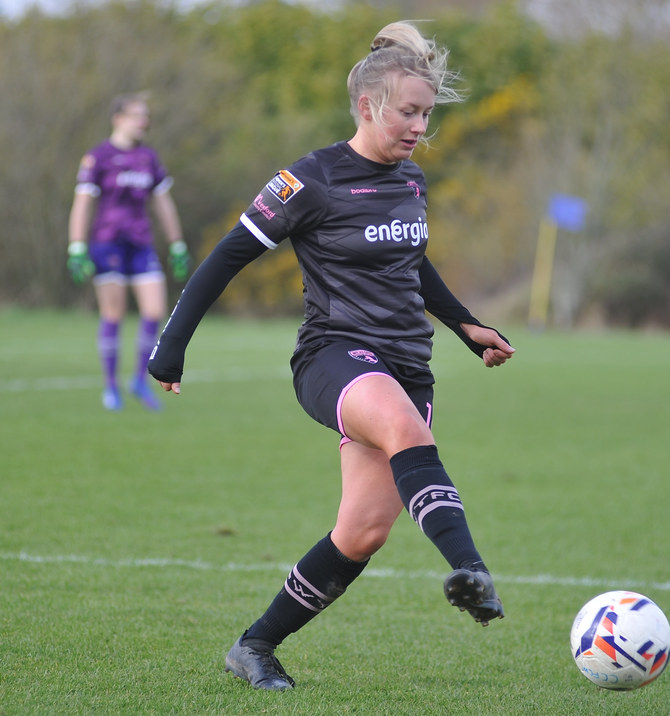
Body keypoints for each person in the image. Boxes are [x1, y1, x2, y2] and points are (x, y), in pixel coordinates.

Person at [147, 21, 515, 691]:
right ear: (368, 105)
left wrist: (467, 325)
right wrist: (171, 347)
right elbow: (227, 256)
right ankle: (471, 568)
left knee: (365, 530)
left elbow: (412, 263)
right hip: (333, 355)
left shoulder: (411, 180)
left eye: (426, 114)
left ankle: (255, 645)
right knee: (406, 429)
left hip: (408, 363)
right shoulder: (307, 181)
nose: (418, 127)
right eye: (409, 111)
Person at [67, 92, 191, 412]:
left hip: (141, 244)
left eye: (145, 115)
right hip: (107, 243)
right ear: (118, 118)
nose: (143, 121)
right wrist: (77, 246)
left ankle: (138, 379)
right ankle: (110, 386)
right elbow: (83, 204)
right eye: (137, 114)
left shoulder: (148, 158)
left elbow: (163, 203)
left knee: (154, 312)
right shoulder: (98, 157)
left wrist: (177, 243)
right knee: (114, 314)